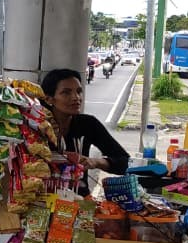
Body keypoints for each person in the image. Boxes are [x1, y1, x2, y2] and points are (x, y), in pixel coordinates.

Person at [40, 67, 129, 195]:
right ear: (49, 99)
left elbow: (123, 162)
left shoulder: (88, 124)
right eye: (66, 92)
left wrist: (96, 162)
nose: (76, 97)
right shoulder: (36, 126)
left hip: (79, 200)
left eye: (79, 91)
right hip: (40, 199)